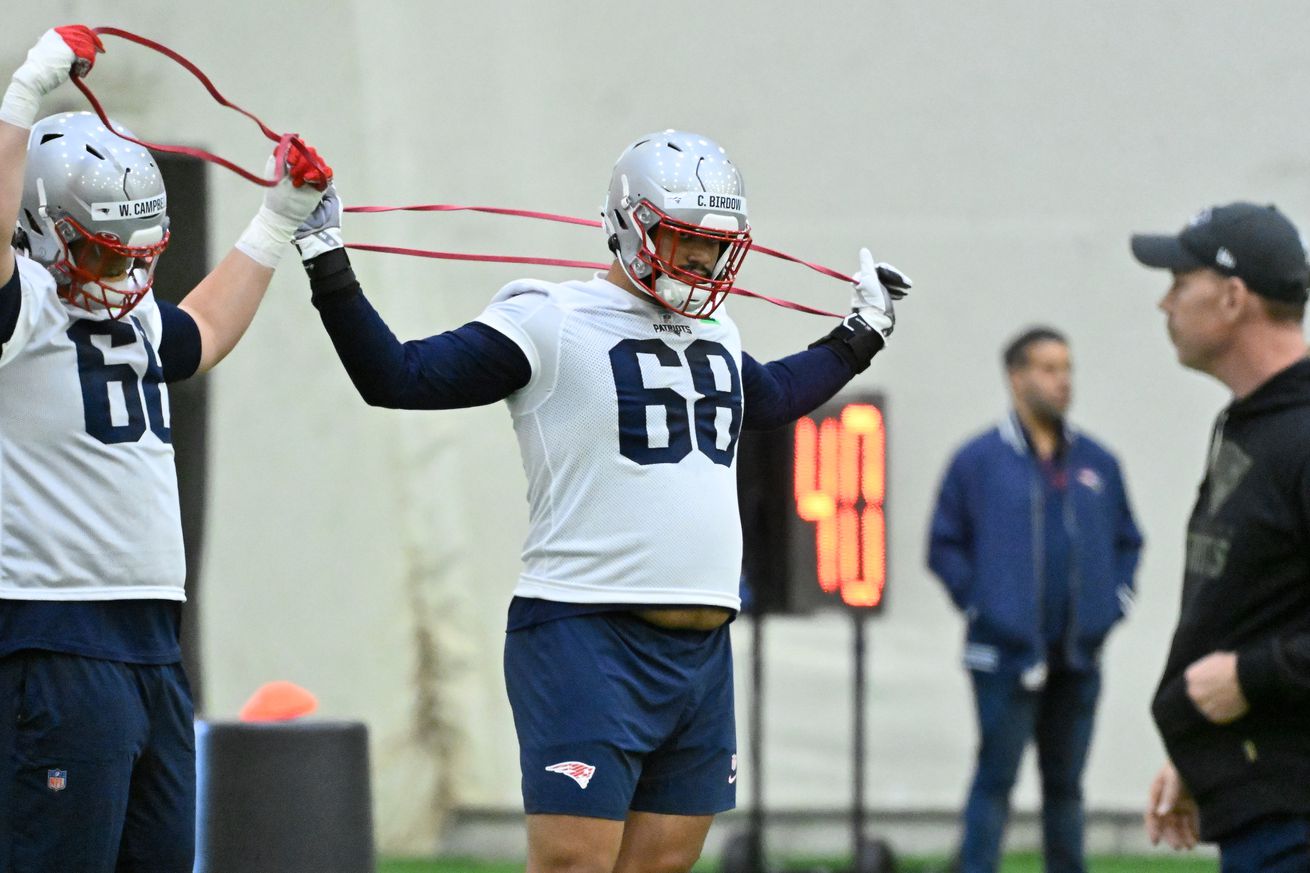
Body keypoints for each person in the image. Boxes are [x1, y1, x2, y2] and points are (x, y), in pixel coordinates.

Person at [292, 129, 910, 873]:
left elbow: (774, 396)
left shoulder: (712, 327)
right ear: (633, 225)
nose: (703, 263)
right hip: (586, 634)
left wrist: (863, 331)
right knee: (575, 866)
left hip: (701, 651)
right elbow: (397, 376)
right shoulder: (548, 319)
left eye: (716, 246)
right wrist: (326, 259)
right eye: (686, 241)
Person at [0, 26, 330, 873]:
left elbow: (206, 329)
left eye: (137, 252)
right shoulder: (24, 306)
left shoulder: (133, 310)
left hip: (153, 641)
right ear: (38, 227)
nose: (122, 272)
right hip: (56, 635)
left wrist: (277, 217)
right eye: (103, 250)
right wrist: (23, 96)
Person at [1133, 202, 1310, 873]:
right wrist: (1202, 750)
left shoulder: (1301, 434)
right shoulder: (1255, 423)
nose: (1164, 302)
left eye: (1180, 281)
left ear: (1234, 298)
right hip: (1261, 797)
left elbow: (1255, 658)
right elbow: (1253, 602)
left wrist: (1250, 676)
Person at [926, 326, 1143, 873]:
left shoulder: (1098, 461)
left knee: (1066, 788)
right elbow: (944, 545)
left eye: (1067, 367)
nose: (1062, 380)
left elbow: (1127, 540)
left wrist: (1112, 603)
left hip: (1078, 658)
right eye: (1048, 368)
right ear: (1016, 376)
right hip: (1003, 659)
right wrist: (984, 606)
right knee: (995, 779)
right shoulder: (978, 461)